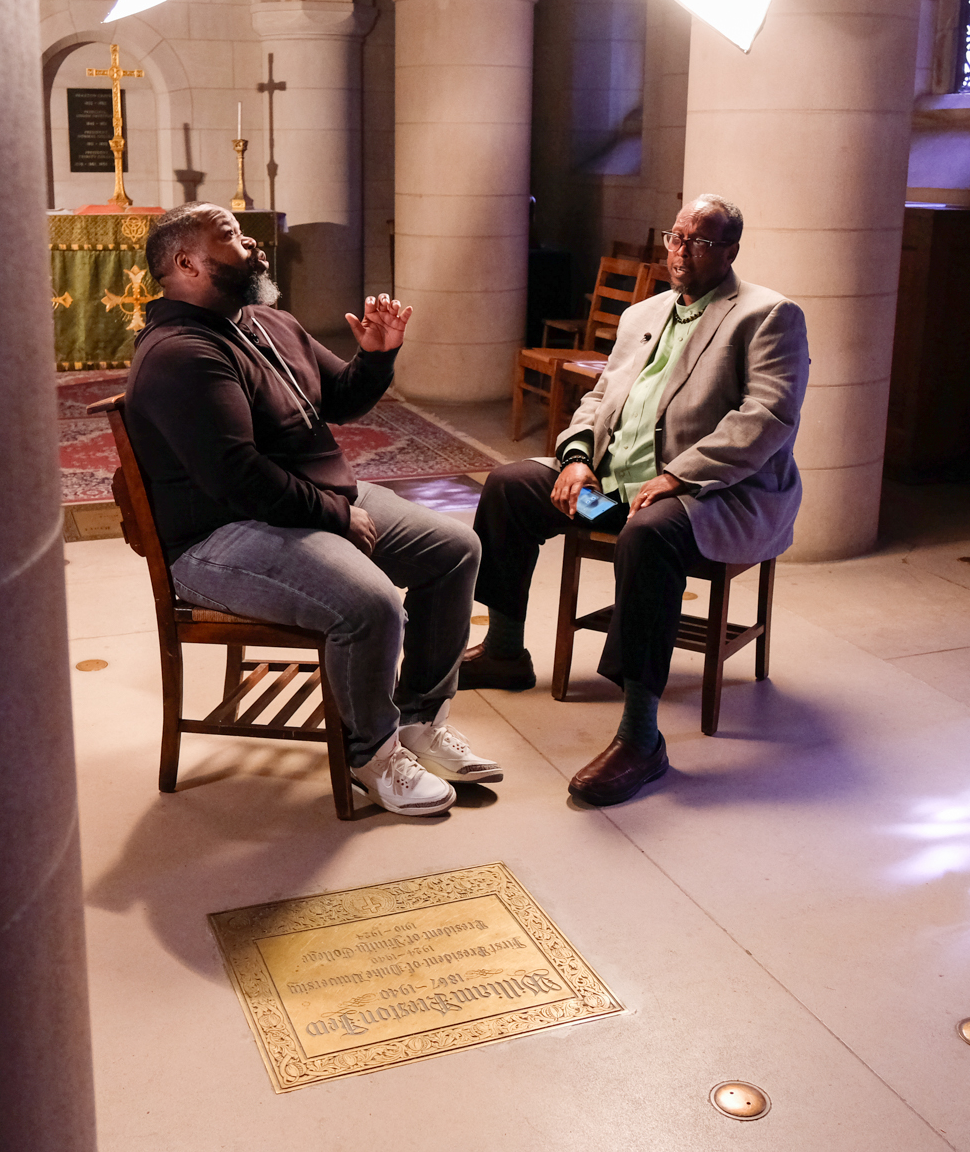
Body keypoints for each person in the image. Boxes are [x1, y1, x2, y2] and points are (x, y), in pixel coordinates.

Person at [121, 203, 499, 816]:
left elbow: (340, 399)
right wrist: (335, 515)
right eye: (232, 238)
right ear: (186, 263)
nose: (254, 244)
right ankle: (371, 754)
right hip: (218, 536)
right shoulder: (181, 352)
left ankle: (420, 720)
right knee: (369, 605)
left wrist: (377, 355)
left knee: (455, 550)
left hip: (304, 502)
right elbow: (237, 479)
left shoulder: (265, 322)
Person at [463, 193, 809, 806]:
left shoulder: (767, 314)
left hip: (708, 499)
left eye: (698, 242)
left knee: (648, 536)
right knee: (511, 485)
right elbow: (600, 400)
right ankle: (506, 649)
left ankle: (641, 735)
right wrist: (575, 462)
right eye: (676, 238)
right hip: (613, 497)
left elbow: (770, 414)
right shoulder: (643, 314)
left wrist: (681, 476)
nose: (680, 252)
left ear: (729, 250)